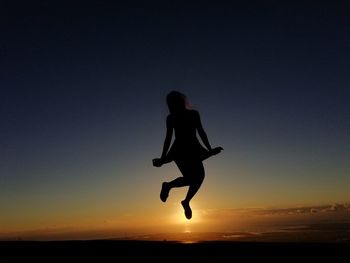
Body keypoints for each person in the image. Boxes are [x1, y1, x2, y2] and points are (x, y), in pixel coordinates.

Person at [152, 91, 223, 220]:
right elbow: (168, 138)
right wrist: (162, 157)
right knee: (197, 177)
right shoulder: (172, 117)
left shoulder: (192, 114)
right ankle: (180, 196)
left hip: (191, 148)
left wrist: (210, 149)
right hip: (181, 149)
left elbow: (201, 132)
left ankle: (174, 191)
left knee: (194, 178)